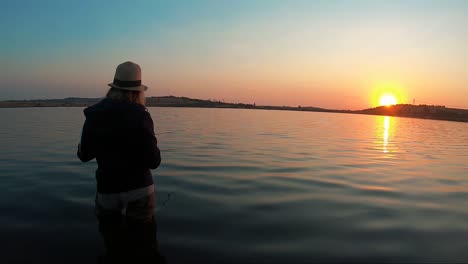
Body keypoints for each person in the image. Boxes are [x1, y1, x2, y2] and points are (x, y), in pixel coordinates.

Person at [77, 61, 164, 263]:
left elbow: (84, 155)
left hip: (107, 189)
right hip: (139, 189)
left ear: (114, 87)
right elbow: (154, 161)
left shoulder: (93, 114)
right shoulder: (142, 115)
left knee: (112, 247)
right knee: (145, 248)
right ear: (138, 91)